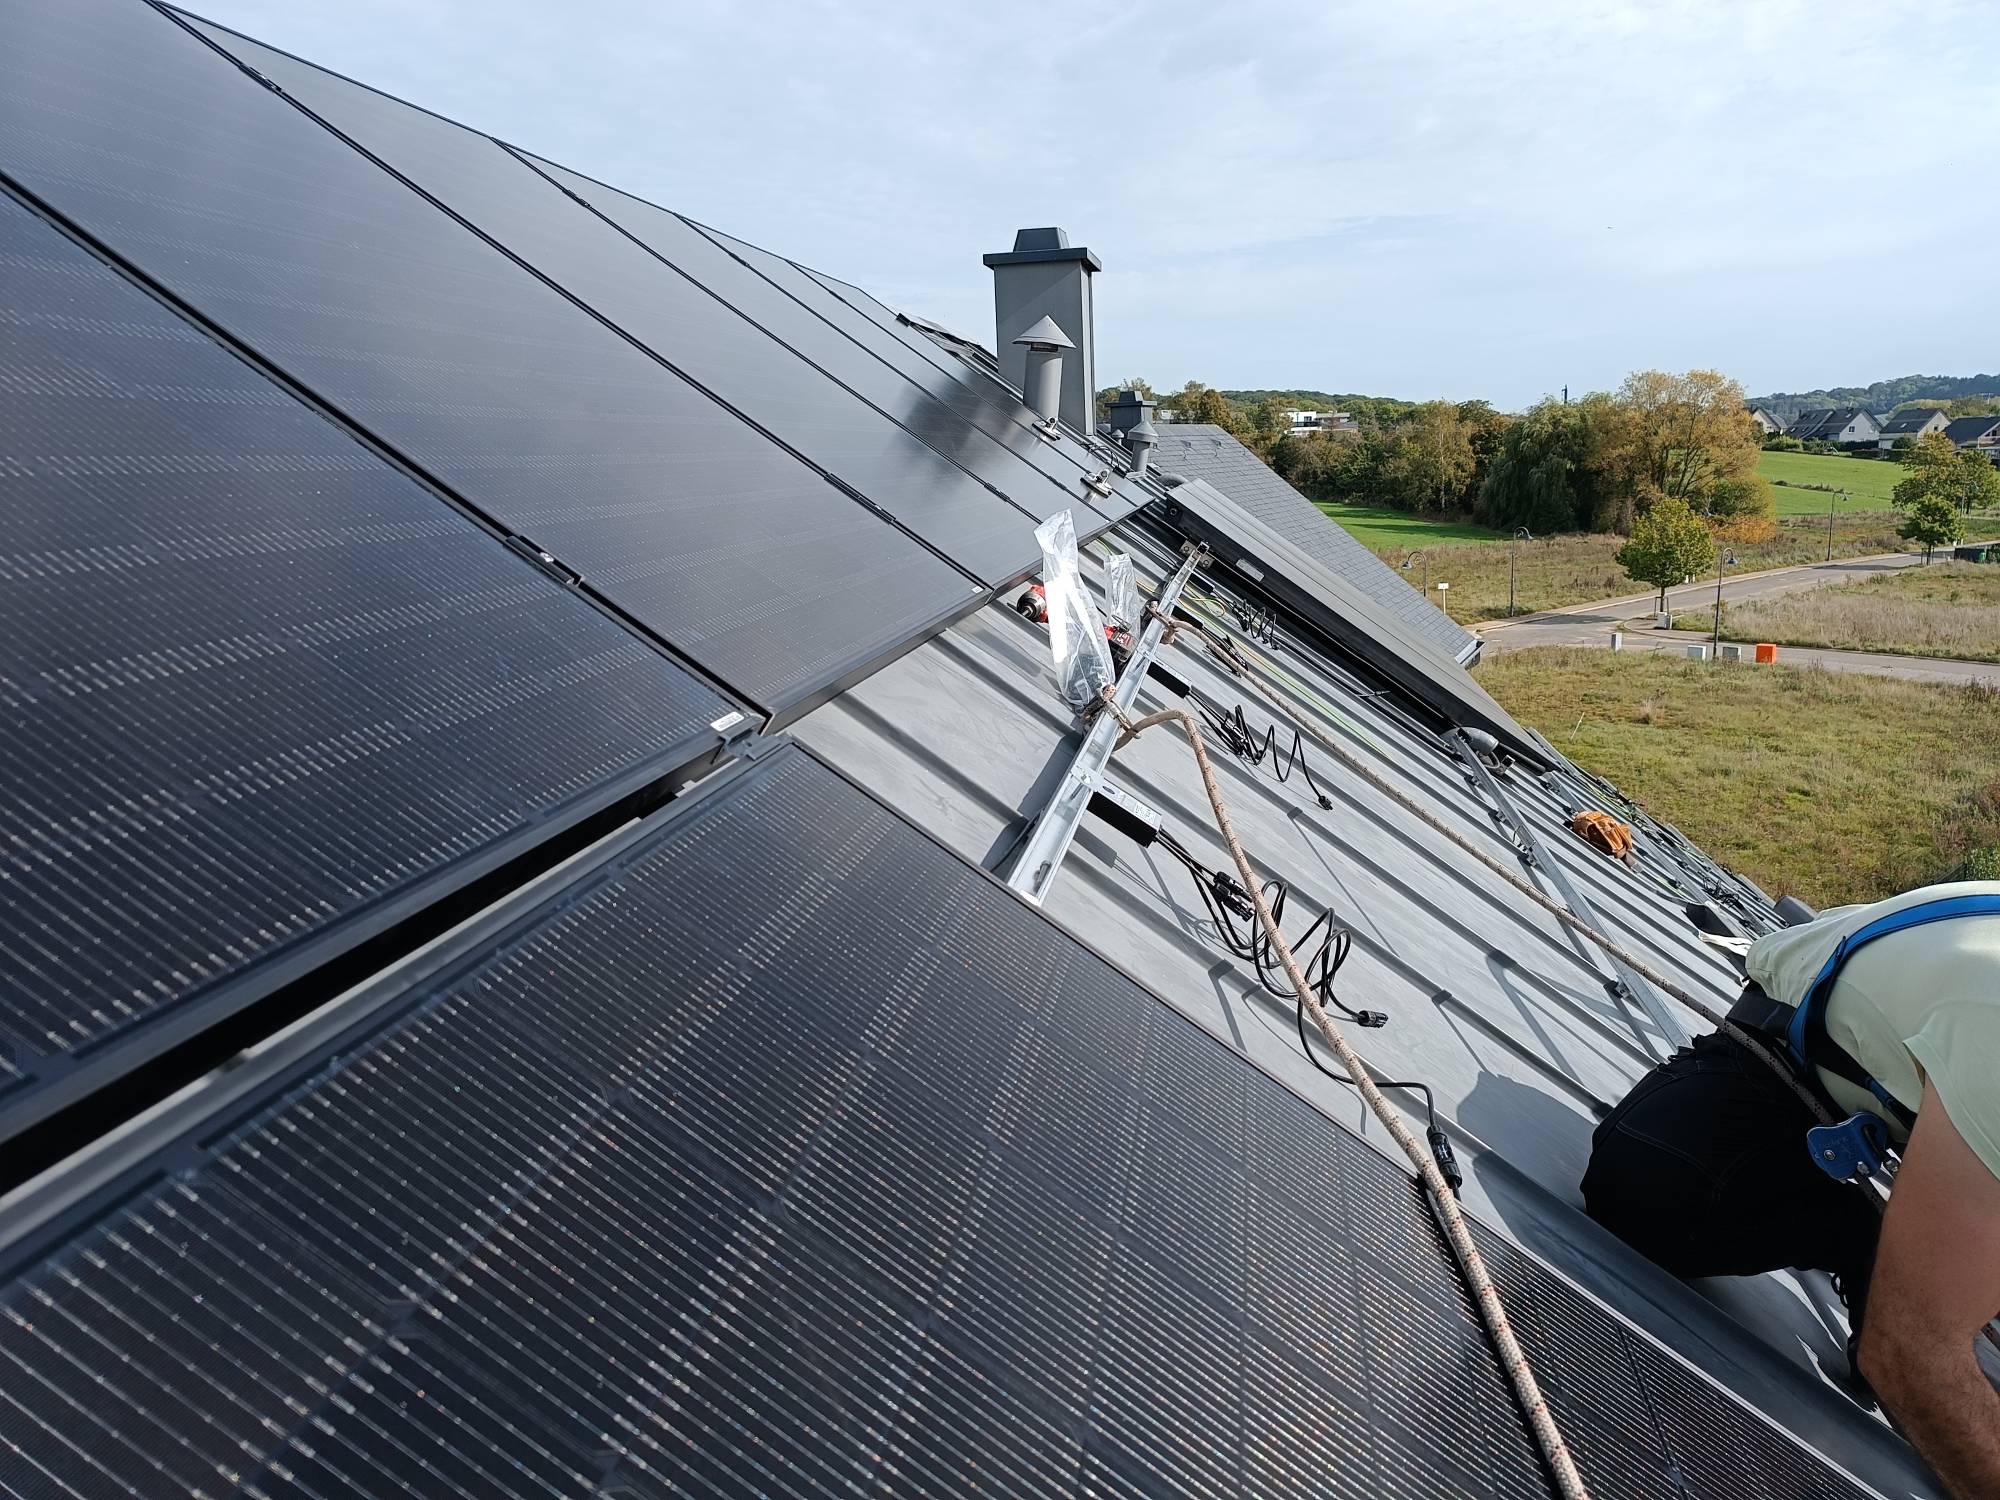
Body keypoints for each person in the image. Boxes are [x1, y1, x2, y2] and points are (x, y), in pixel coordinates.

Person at [1581, 881, 2000, 1499]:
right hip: (1773, 1083)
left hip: (1923, 1080)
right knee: (1649, 1192)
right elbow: (1908, 1353)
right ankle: (1868, 1240)